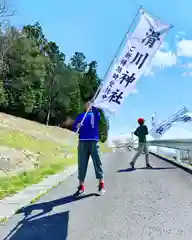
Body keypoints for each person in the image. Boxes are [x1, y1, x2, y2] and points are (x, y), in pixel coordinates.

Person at [63, 100, 105, 196]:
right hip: (82, 142)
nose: (89, 104)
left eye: (91, 103)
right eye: (87, 103)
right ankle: (81, 187)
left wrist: (93, 106)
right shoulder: (80, 116)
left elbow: (97, 115)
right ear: (84, 105)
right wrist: (77, 126)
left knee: (97, 162)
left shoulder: (95, 114)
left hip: (94, 141)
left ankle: (101, 184)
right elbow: (74, 129)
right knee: (82, 164)